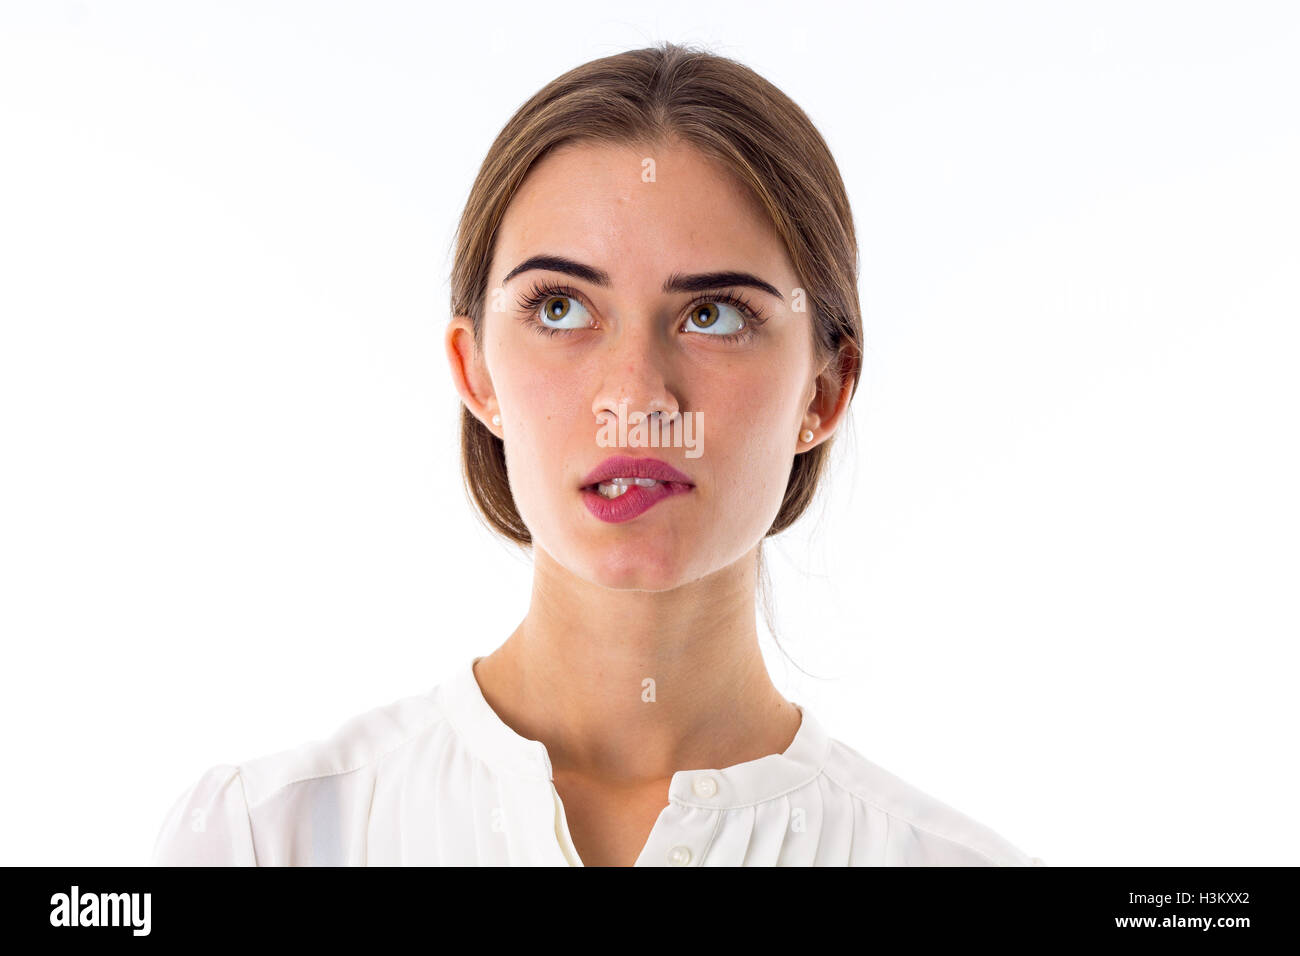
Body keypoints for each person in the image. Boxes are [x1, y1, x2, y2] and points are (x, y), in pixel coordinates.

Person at [151, 41, 1042, 867]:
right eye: (561, 308)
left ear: (825, 391)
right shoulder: (264, 842)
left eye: (715, 314)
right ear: (477, 373)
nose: (638, 398)